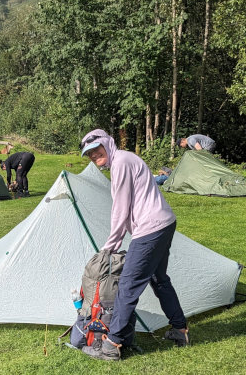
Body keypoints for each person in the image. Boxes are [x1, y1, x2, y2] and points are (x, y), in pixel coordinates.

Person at [80, 129, 189, 361]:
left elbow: (120, 207)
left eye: (95, 149)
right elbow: (128, 204)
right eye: (88, 153)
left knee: (128, 285)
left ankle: (112, 344)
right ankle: (180, 330)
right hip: (163, 223)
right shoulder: (125, 159)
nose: (92, 155)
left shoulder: (120, 162)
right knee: (159, 279)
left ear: (106, 143)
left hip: (151, 228)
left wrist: (109, 247)